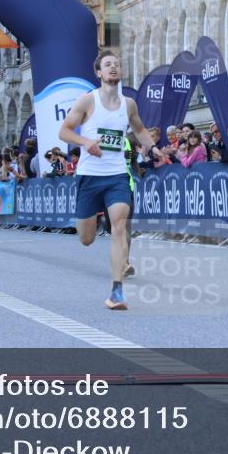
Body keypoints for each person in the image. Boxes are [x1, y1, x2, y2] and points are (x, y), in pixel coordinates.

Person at [59, 50, 158, 311]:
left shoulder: (129, 104)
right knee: (86, 238)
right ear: (99, 72)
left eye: (116, 64)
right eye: (107, 64)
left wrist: (153, 148)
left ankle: (116, 292)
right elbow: (64, 131)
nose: (113, 67)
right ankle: (96, 217)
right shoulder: (87, 101)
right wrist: (85, 142)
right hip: (89, 176)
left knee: (120, 226)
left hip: (116, 175)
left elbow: (139, 129)